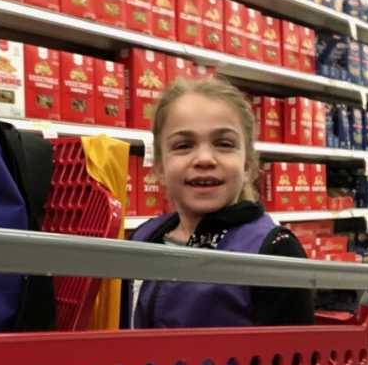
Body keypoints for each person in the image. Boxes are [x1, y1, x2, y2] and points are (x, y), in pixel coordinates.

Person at [125, 77, 315, 328]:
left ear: (247, 165)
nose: (204, 158)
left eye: (224, 144)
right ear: (160, 167)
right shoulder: (142, 238)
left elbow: (293, 360)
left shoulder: (274, 250)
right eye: (183, 145)